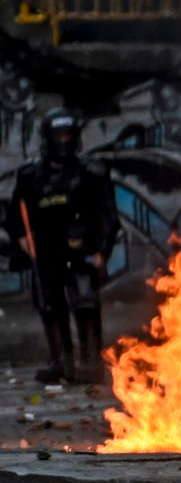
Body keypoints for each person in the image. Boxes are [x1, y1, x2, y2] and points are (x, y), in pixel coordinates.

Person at [4, 108, 121, 383]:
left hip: (82, 249)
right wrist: (22, 238)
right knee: (50, 306)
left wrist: (103, 251)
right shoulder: (31, 175)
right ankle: (61, 362)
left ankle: (91, 362)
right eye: (58, 135)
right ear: (48, 137)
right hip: (46, 251)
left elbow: (109, 215)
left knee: (85, 302)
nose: (64, 140)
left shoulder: (91, 172)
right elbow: (13, 216)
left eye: (68, 134)